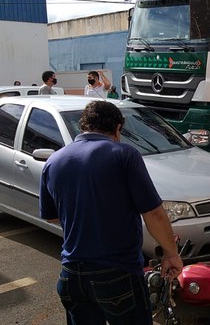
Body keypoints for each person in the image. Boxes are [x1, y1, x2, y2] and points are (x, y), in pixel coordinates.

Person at [39, 100, 183, 324]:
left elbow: (51, 215)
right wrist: (171, 254)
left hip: (71, 276)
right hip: (117, 273)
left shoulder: (54, 161)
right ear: (118, 129)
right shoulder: (124, 154)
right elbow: (153, 213)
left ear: (83, 127)